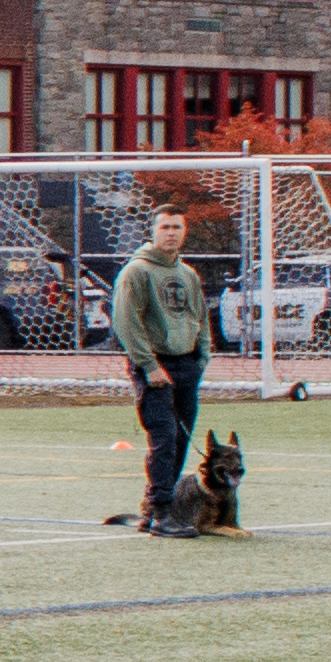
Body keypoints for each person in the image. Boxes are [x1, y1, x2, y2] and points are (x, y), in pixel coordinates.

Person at [109, 211, 213, 532]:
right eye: (164, 227)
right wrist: (150, 365)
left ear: (185, 231)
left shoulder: (188, 274)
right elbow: (126, 323)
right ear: (153, 231)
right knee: (164, 438)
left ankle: (151, 510)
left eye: (177, 227)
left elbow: (202, 316)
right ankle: (162, 514)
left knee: (181, 441)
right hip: (155, 366)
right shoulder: (136, 272)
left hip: (186, 365)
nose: (171, 233)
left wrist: (202, 357)